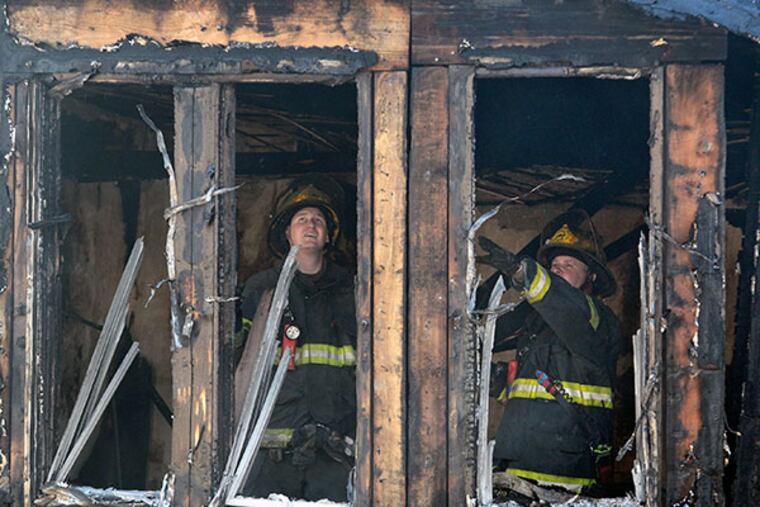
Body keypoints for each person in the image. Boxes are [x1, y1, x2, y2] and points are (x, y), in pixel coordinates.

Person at [478, 209, 621, 493]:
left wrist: (524, 272)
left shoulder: (597, 318)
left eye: (568, 264)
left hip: (564, 476)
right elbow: (530, 384)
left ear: (591, 275)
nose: (557, 269)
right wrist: (487, 377)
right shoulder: (539, 325)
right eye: (554, 265)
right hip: (517, 469)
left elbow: (566, 304)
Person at [235, 177, 356, 501]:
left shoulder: (352, 291)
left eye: (318, 220)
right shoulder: (261, 289)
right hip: (271, 456)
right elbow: (237, 361)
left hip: (332, 452)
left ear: (329, 235)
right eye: (301, 220)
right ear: (286, 233)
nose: (310, 225)